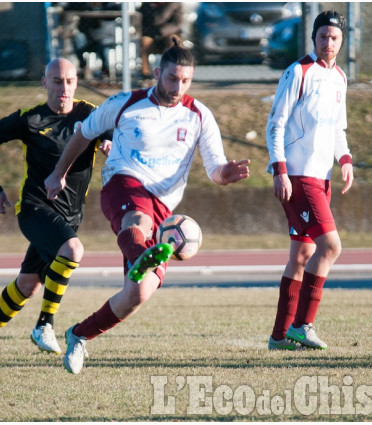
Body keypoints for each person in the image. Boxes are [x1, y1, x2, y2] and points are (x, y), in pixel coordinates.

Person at [44, 38, 250, 374]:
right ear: (157, 73)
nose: (177, 86)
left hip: (163, 208)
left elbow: (215, 168)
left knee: (137, 295)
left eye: (185, 81)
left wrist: (226, 173)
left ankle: (78, 335)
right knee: (136, 219)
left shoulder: (198, 116)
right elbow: (83, 133)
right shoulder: (126, 103)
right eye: (172, 78)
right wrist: (58, 174)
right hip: (122, 183)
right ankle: (142, 254)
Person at [0, 58, 112, 369]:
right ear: (45, 82)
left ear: (76, 82)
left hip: (70, 216)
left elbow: (115, 134)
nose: (64, 88)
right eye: (57, 81)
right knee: (72, 251)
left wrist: (110, 143)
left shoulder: (91, 114)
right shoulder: (30, 119)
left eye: (70, 81)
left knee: (27, 285)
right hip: (34, 208)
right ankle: (44, 324)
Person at [265, 10, 354, 351]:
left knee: (302, 254)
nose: (327, 43)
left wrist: (344, 160)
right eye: (322, 37)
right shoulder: (298, 71)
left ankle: (279, 337)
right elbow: (276, 124)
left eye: (333, 38)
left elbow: (337, 129)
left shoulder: (340, 78)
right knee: (330, 247)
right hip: (299, 177)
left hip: (323, 177)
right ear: (313, 38)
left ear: (342, 41)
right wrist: (280, 170)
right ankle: (302, 325)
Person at [139, 2, 184, 79]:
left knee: (174, 41)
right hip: (151, 34)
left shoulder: (174, 4)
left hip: (169, 33)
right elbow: (143, 23)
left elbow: (177, 24)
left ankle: (175, 71)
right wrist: (152, 33)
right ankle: (145, 74)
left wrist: (160, 32)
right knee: (144, 41)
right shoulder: (146, 5)